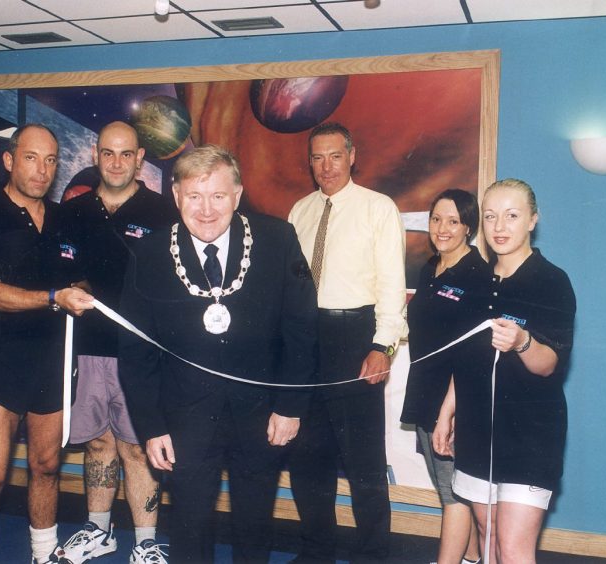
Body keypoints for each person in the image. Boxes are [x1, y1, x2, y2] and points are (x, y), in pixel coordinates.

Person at [118, 144, 318, 563]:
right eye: (194, 196)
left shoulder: (278, 240)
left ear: (238, 195)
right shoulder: (149, 254)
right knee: (189, 528)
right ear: (176, 197)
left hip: (262, 414)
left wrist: (290, 406)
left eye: (218, 196)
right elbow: (136, 351)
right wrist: (151, 426)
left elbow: (301, 330)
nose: (206, 210)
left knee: (255, 524)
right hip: (184, 417)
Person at [0, 124, 95, 564]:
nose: (43, 170)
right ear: (10, 160)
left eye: (51, 160)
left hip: (52, 360)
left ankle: (43, 555)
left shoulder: (64, 219)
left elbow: (79, 276)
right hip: (2, 361)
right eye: (33, 158)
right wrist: (54, 298)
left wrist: (80, 290)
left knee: (47, 468)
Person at [435, 179, 576, 563]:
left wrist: (522, 343)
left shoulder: (552, 281)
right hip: (477, 427)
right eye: (491, 217)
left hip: (530, 433)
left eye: (512, 216)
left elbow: (550, 365)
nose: (499, 227)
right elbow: (464, 359)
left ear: (532, 220)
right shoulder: (473, 281)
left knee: (513, 549)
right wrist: (447, 412)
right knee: (489, 538)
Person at [287, 122, 407, 562]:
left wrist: (383, 346)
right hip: (305, 342)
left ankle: (373, 554)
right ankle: (316, 551)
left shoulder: (379, 208)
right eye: (317, 157)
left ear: (352, 156)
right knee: (306, 457)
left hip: (356, 339)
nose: (326, 166)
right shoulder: (299, 211)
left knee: (364, 464)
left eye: (335, 156)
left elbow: (393, 287)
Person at [60, 121, 177, 564]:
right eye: (108, 153)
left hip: (140, 354)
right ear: (95, 154)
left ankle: (145, 541)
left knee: (136, 444)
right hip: (87, 349)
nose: (116, 162)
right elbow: (60, 274)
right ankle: (98, 530)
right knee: (97, 443)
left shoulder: (162, 213)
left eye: (126, 154)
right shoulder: (72, 212)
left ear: (140, 158)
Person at [400, 189, 488, 564]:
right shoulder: (429, 268)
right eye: (436, 219)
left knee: (454, 494)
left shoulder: (478, 275)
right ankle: (471, 559)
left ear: (468, 226)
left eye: (453, 221)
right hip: (425, 392)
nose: (442, 228)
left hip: (455, 399)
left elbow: (472, 354)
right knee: (449, 488)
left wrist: (450, 412)